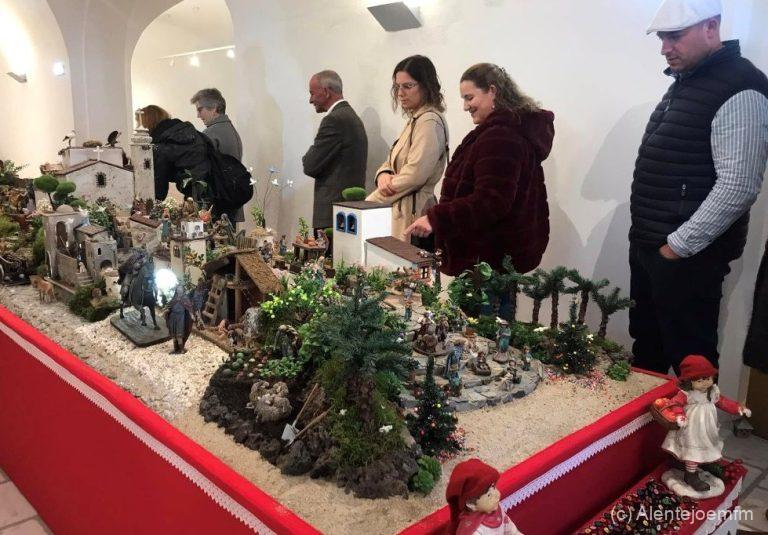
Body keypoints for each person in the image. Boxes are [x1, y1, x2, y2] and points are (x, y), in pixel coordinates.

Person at [628, 0, 768, 375]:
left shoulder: (740, 85)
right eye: (662, 38)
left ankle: (697, 420)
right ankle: (650, 418)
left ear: (711, 27)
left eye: (674, 36)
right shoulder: (689, 82)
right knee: (649, 353)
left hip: (687, 259)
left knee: (694, 368)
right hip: (655, 248)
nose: (665, 48)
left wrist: (676, 248)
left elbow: (739, 185)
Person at [405, 64, 552, 277]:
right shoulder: (505, 132)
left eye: (469, 98)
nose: (465, 107)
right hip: (492, 260)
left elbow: (491, 201)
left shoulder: (500, 137)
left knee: (485, 302)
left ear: (492, 91)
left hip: (488, 262)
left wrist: (436, 218)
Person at [366, 55, 449, 248]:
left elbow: (414, 175)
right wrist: (383, 174)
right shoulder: (416, 119)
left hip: (414, 214)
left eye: (407, 86)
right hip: (400, 209)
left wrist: (371, 202)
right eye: (397, 87)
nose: (400, 93)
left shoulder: (429, 120)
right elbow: (390, 160)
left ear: (426, 86)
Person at [661, 355, 751, 492]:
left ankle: (704, 463)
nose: (705, 383)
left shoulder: (712, 392)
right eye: (699, 380)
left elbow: (723, 402)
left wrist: (738, 408)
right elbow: (676, 403)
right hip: (692, 428)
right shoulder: (687, 393)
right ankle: (691, 475)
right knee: (693, 448)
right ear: (689, 381)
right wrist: (680, 415)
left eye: (708, 378)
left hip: (707, 428)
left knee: (706, 445)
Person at [302, 70, 368, 236]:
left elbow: (310, 165)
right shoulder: (352, 117)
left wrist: (308, 154)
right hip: (347, 213)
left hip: (331, 217)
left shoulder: (334, 120)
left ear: (326, 91)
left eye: (312, 93)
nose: (310, 100)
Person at [190, 88, 245, 224]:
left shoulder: (210, 134)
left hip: (214, 207)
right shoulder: (230, 130)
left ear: (214, 108)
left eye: (200, 110)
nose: (198, 115)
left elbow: (201, 174)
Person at [136, 105, 211, 204]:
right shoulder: (189, 132)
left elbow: (159, 191)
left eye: (139, 123)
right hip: (212, 185)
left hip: (196, 192)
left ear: (147, 124)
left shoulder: (160, 146)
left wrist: (148, 205)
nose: (137, 127)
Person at [446, 459, 524, 535]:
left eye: (494, 487)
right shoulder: (475, 531)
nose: (496, 494)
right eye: (489, 495)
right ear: (471, 504)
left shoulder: (496, 509)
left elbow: (510, 530)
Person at [165, 285, 194, 354]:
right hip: (173, 317)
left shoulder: (185, 298)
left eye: (180, 288)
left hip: (180, 318)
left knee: (179, 334)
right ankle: (175, 349)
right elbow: (170, 306)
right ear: (176, 290)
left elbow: (189, 308)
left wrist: (191, 315)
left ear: (183, 290)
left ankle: (181, 349)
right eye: (178, 288)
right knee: (173, 335)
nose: (179, 290)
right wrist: (167, 310)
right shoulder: (174, 297)